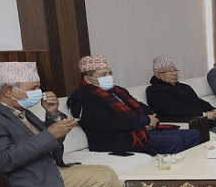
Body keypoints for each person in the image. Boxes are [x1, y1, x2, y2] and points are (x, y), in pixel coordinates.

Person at [69, 55, 201, 155]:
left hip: (140, 130)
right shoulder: (81, 98)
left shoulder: (117, 90)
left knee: (193, 134)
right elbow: (106, 123)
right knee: (175, 140)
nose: (108, 77)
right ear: (87, 79)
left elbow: (141, 106)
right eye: (103, 74)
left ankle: (194, 176)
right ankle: (175, 181)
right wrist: (143, 121)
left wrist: (150, 119)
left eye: (110, 73)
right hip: (117, 139)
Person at [144, 55, 216, 140]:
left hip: (203, 117)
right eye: (169, 71)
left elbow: (198, 102)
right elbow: (174, 109)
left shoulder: (184, 87)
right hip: (191, 120)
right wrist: (203, 115)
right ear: (157, 75)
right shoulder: (154, 91)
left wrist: (213, 109)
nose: (174, 73)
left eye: (175, 70)